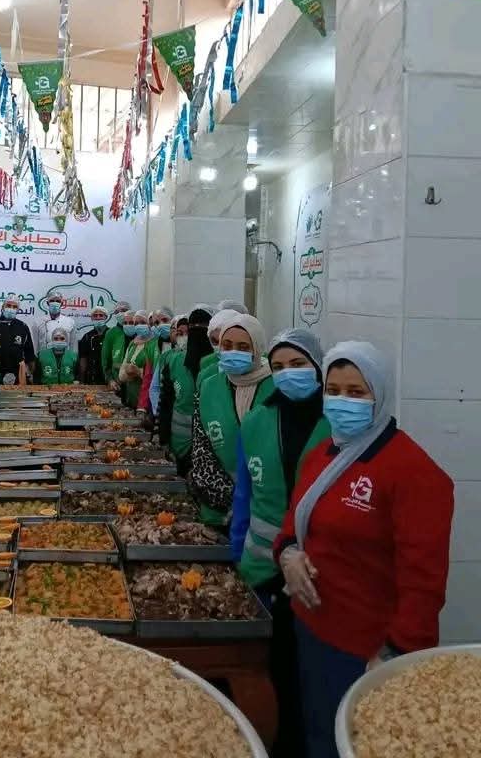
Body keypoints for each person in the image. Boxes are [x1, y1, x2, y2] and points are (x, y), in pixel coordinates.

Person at [274, 341, 454, 758]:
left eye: (356, 392)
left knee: (357, 744)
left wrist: (395, 653)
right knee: (318, 735)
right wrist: (288, 554)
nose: (342, 401)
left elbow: (424, 582)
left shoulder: (412, 472)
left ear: (380, 394)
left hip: (366, 650)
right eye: (333, 390)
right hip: (313, 631)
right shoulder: (323, 455)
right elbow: (293, 519)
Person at [231, 328, 329, 758]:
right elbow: (244, 498)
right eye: (279, 367)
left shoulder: (338, 423)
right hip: (262, 573)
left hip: (320, 577)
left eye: (299, 364)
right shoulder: (257, 421)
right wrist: (237, 560)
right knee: (271, 670)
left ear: (318, 367)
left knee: (314, 677)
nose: (289, 374)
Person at [189, 314, 274, 527]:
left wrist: (250, 501)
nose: (233, 351)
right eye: (227, 346)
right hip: (218, 504)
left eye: (243, 347)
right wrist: (231, 498)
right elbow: (202, 450)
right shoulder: (209, 386)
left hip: (267, 506)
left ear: (257, 349)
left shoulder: (275, 387)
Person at [158, 307, 212, 475]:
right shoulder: (174, 361)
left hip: (212, 447)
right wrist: (164, 438)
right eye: (193, 330)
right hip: (181, 443)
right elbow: (166, 401)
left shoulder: (219, 365)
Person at [0, 295, 35, 385]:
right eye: (8, 305)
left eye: (14, 307)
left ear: (18, 310)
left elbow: (29, 354)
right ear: (3, 307)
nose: (11, 309)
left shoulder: (23, 327)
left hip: (18, 374)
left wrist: (31, 374)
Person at [146, 314, 188, 417]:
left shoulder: (195, 358)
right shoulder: (165, 356)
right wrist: (158, 411)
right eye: (178, 332)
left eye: (187, 333)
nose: (182, 336)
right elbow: (155, 387)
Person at [196, 308, 242, 390]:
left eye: (226, 343)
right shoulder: (206, 371)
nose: (220, 347)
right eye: (215, 341)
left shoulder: (264, 368)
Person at [118, 310, 154, 410]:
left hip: (146, 402)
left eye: (143, 322)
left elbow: (155, 376)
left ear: (149, 324)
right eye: (136, 323)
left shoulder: (154, 344)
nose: (139, 326)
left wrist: (138, 372)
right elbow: (121, 374)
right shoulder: (132, 343)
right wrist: (128, 372)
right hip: (131, 399)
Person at [102, 301, 132, 390]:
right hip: (116, 382)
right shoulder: (111, 333)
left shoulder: (137, 331)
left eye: (123, 310)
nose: (120, 314)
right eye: (117, 312)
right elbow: (106, 360)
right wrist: (110, 380)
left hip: (134, 381)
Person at [78, 306, 110, 385]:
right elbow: (83, 359)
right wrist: (82, 380)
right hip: (91, 378)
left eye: (101, 315)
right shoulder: (87, 336)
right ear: (91, 318)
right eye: (95, 316)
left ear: (106, 318)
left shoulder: (112, 334)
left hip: (109, 378)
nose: (98, 318)